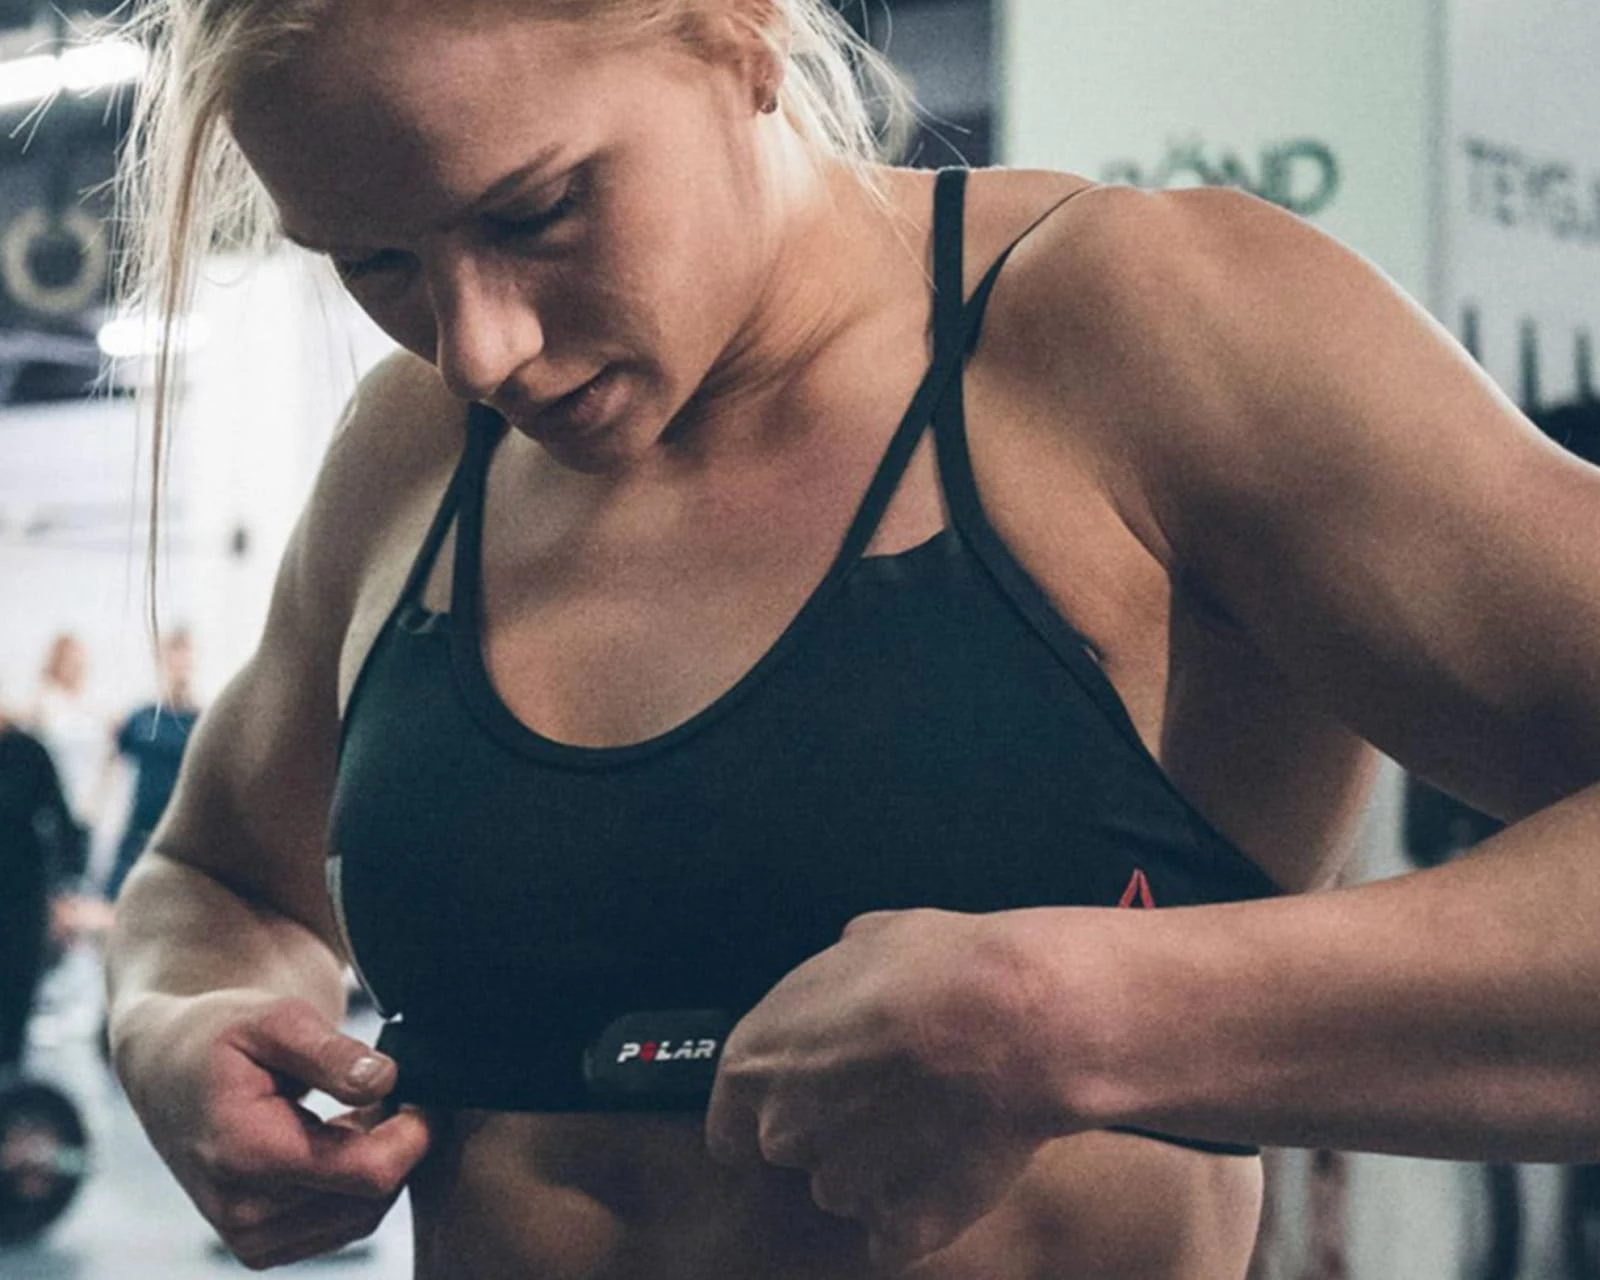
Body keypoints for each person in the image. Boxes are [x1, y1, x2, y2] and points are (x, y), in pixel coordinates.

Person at [101, 0, 1600, 1276]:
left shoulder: (1129, 330)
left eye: (535, 211)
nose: (479, 346)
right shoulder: (413, 455)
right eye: (374, 264)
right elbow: (215, 875)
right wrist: (175, 1023)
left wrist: (1091, 1013)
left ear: (741, 32)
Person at [0, 699, 85, 1072]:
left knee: (15, 986)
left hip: (21, 889)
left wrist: (65, 892)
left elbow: (61, 820)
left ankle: (10, 1077)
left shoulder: (28, 751)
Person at [104, 628, 202, 902]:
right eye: (174, 658)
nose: (180, 667)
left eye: (185, 660)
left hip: (179, 832)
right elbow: (110, 768)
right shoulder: (141, 717)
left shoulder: (200, 721)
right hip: (139, 828)